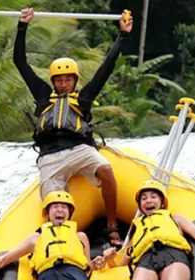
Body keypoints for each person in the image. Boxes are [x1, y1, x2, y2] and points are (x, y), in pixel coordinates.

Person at [14, 7, 133, 248]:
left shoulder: (84, 98)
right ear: (53, 82)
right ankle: (60, 243)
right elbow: (20, 61)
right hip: (51, 157)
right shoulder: (43, 96)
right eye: (59, 79)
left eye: (68, 79)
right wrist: (22, 26)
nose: (64, 83)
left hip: (79, 149)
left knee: (107, 170)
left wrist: (123, 36)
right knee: (52, 204)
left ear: (75, 80)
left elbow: (106, 68)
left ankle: (111, 224)